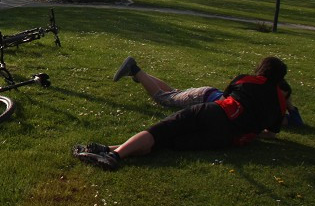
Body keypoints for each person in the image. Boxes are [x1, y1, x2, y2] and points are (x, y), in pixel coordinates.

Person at [74, 57, 292, 170]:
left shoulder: (248, 80)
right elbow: (272, 133)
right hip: (225, 137)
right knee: (168, 139)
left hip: (212, 110)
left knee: (163, 124)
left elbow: (226, 97)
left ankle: (113, 155)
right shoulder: (280, 103)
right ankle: (108, 150)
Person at [112, 56, 303, 127]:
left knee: (172, 92)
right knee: (165, 99)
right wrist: (289, 104)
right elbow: (294, 122)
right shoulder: (271, 99)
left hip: (208, 94)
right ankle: (135, 69)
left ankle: (139, 75)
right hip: (204, 100)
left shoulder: (250, 83)